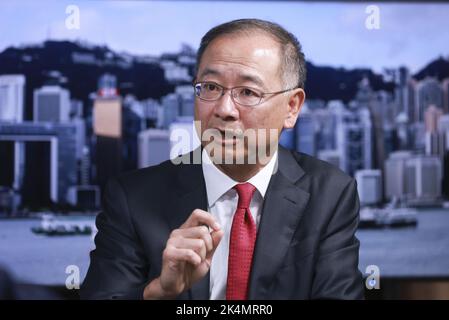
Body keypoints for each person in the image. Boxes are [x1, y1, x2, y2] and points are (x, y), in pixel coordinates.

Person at [80, 18, 364, 300]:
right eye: (211, 87)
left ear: (291, 107)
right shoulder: (133, 198)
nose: (224, 109)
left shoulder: (330, 193)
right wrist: (159, 292)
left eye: (248, 92)